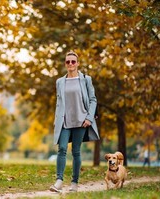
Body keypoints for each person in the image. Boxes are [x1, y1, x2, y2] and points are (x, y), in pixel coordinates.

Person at [49, 51, 100, 192]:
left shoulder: (85, 79)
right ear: (65, 64)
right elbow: (59, 103)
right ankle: (59, 181)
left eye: (73, 61)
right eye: (68, 62)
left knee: (76, 152)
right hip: (65, 121)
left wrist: (89, 118)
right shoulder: (60, 82)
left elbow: (93, 99)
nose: (70, 64)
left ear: (77, 63)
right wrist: (56, 120)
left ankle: (74, 183)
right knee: (62, 149)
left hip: (81, 121)